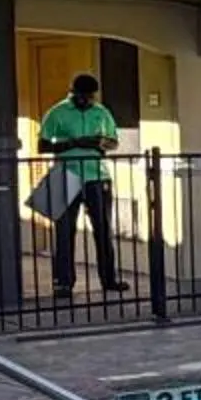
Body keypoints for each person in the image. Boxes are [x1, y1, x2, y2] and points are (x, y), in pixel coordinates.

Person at [37, 72, 129, 297]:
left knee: (103, 231)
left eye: (90, 97)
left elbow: (113, 142)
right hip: (65, 174)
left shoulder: (101, 112)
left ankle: (109, 279)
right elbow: (43, 145)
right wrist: (74, 143)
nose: (87, 100)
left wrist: (100, 143)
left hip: (96, 176)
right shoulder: (57, 113)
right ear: (73, 94)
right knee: (64, 233)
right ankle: (63, 284)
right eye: (83, 96)